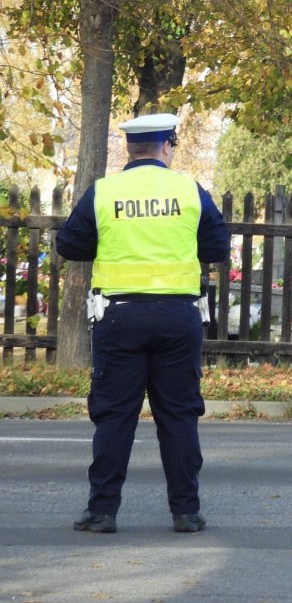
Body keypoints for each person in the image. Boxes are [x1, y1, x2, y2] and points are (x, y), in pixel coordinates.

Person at [56, 113, 229, 534]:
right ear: (167, 145)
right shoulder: (189, 190)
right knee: (179, 416)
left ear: (129, 149)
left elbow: (69, 245)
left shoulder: (104, 192)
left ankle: (102, 511)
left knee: (115, 416)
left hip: (119, 316)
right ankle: (186, 512)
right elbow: (218, 247)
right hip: (178, 317)